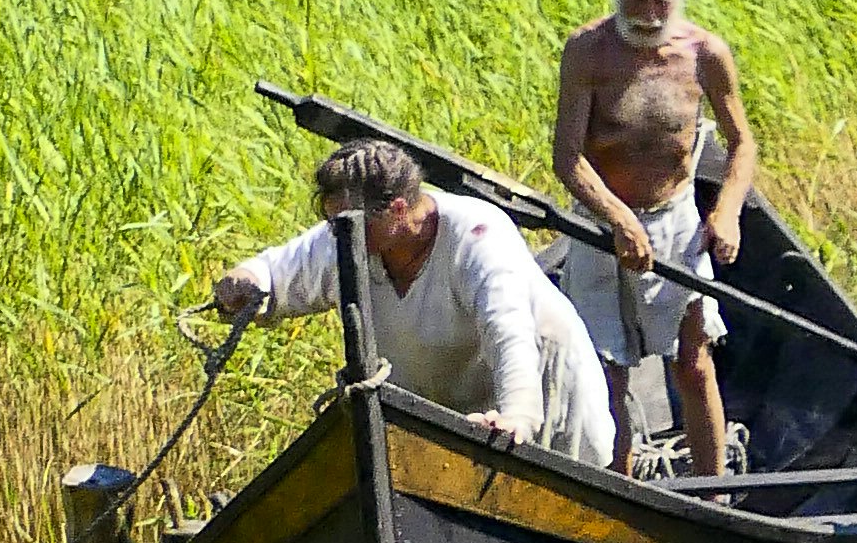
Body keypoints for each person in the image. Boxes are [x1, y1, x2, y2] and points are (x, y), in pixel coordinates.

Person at [211, 138, 607, 462]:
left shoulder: (477, 236)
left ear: (397, 211)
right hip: (449, 415)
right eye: (333, 225)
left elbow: (508, 333)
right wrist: (245, 283)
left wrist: (517, 415)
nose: (336, 236)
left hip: (543, 390)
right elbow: (278, 273)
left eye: (347, 225)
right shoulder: (348, 240)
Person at [550, 0, 758, 479]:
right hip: (599, 227)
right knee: (608, 373)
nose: (646, 14)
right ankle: (621, 494)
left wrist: (728, 210)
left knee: (693, 364)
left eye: (659, 0)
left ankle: (714, 497)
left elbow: (742, 143)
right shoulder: (587, 51)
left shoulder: (705, 53)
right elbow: (568, 157)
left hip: (675, 221)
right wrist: (617, 220)